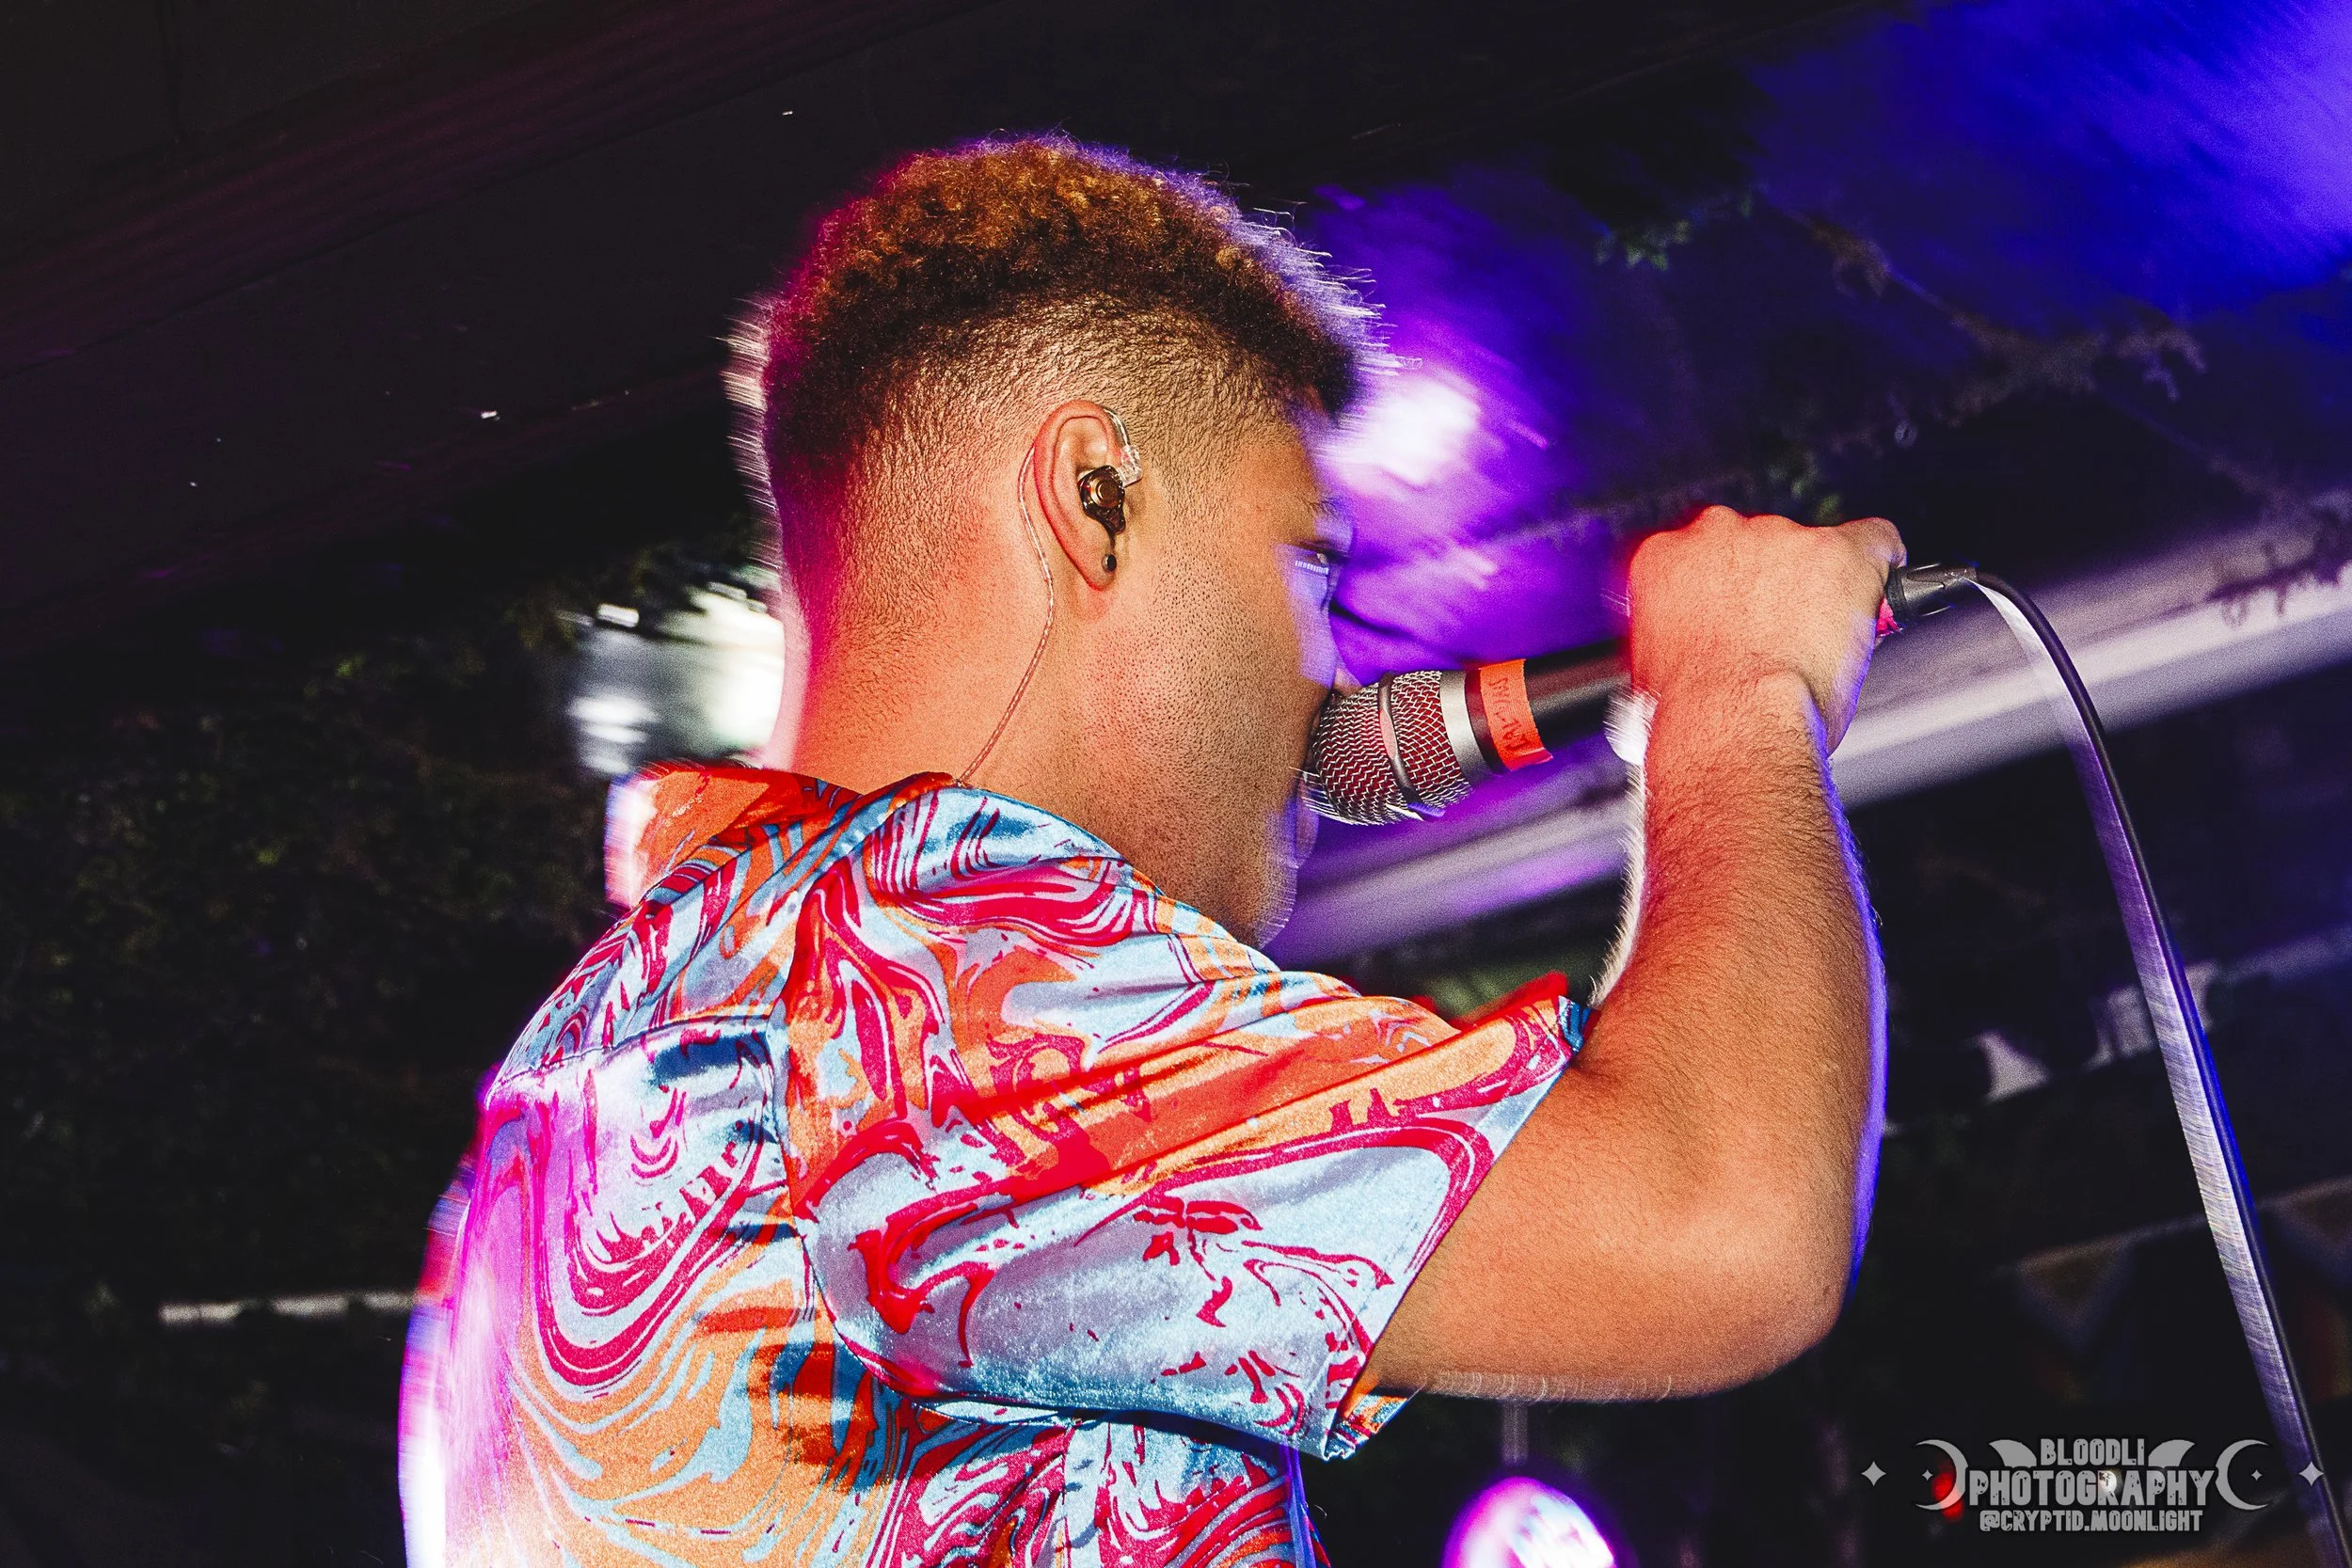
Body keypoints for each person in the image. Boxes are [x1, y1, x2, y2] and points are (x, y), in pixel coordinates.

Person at [397, 135, 1900, 1567]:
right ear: (1094, 499)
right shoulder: (917, 978)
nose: (1329, 666)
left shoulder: (593, 1074)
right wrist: (1741, 691)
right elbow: (1724, 1220)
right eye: (1304, 561)